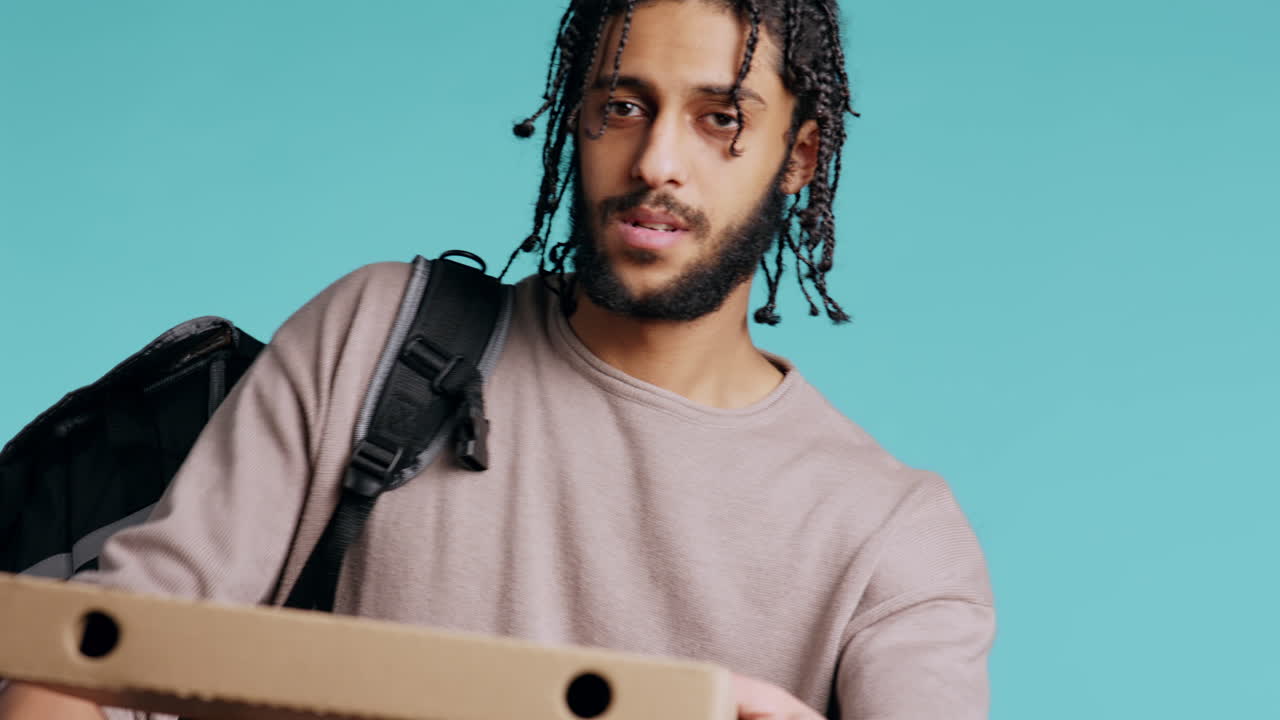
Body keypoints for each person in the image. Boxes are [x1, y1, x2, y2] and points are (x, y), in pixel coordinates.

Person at [0, 0, 996, 718]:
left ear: (800, 156)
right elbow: (76, 672)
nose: (657, 160)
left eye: (718, 117)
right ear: (577, 115)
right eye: (622, 103)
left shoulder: (891, 541)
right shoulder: (379, 337)